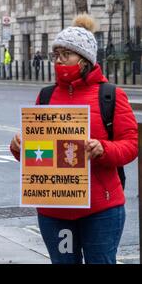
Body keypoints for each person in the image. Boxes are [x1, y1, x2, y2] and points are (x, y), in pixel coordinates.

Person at [10, 14, 138, 264]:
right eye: (55, 55)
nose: (58, 61)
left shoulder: (110, 95)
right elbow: (37, 151)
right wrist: (18, 147)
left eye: (65, 55)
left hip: (101, 208)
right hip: (54, 209)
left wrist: (103, 149)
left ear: (84, 59)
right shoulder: (46, 96)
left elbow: (131, 145)